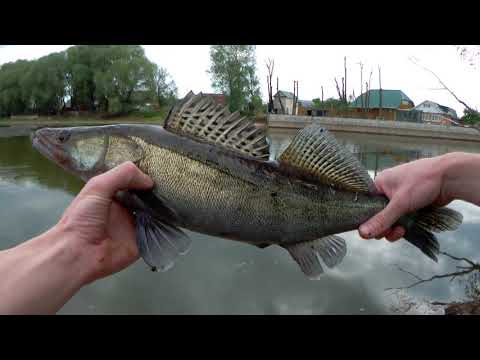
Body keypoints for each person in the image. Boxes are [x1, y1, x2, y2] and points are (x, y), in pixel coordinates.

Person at [1, 152, 480, 314]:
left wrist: (445, 174)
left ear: (117, 150)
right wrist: (75, 244)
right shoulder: (122, 199)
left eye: (65, 139)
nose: (53, 143)